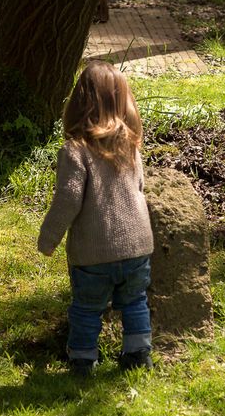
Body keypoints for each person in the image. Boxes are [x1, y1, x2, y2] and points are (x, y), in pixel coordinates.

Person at [37, 61, 154, 377]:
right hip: (137, 247)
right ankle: (138, 353)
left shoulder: (75, 151)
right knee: (134, 303)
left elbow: (68, 200)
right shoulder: (130, 146)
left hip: (94, 252)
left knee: (87, 308)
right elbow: (140, 189)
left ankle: (83, 360)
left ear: (78, 103)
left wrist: (48, 239)